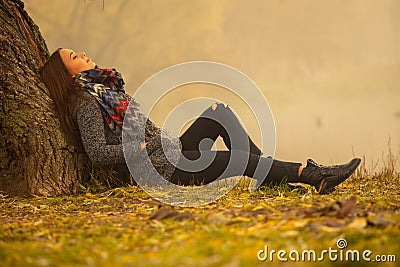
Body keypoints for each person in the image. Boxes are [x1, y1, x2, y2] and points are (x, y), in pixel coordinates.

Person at [41, 48, 361, 194]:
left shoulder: (107, 91)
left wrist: (161, 141)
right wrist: (148, 143)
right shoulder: (84, 103)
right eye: (74, 58)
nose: (82, 55)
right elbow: (97, 154)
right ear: (67, 75)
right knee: (238, 160)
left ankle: (266, 173)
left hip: (168, 153)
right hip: (159, 172)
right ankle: (314, 175)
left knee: (218, 113)